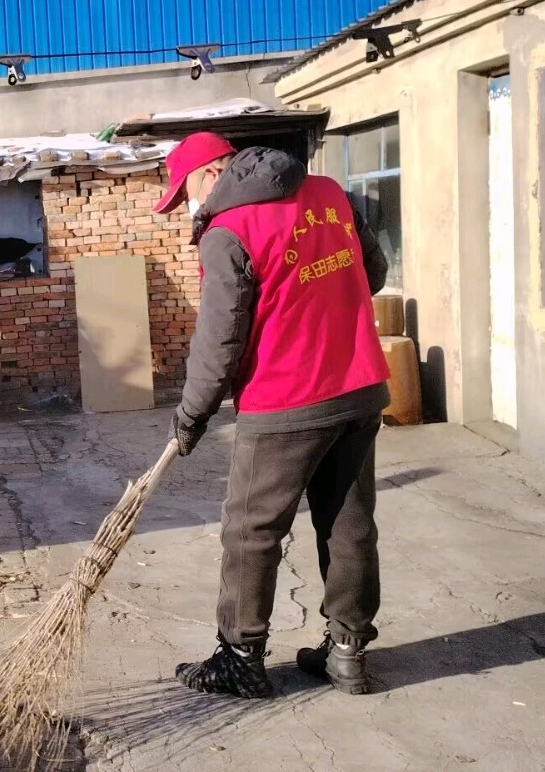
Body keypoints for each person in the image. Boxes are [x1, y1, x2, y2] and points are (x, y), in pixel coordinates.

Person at [155, 132, 391, 700]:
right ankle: (348, 653)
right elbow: (374, 272)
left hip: (285, 399)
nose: (191, 204)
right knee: (349, 523)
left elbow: (220, 341)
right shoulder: (330, 193)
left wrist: (192, 415)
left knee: (251, 531)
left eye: (187, 191)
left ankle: (240, 659)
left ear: (213, 174)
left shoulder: (228, 231)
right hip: (358, 387)